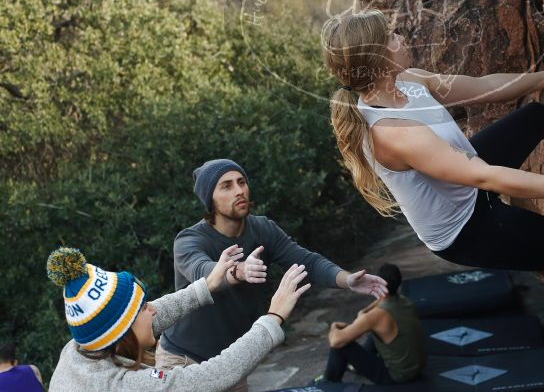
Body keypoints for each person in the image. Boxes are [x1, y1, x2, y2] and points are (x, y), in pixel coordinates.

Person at [321, 9, 544, 381]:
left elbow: (481, 86)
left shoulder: (406, 81)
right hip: (465, 228)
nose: (400, 37)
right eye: (390, 36)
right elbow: (482, 176)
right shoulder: (392, 132)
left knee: (534, 117)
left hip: (467, 177)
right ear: (377, 58)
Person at [156, 159, 388, 392]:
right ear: (210, 200)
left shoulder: (262, 230)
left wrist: (346, 280)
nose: (239, 191)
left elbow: (307, 261)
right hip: (181, 359)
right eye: (226, 186)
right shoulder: (190, 240)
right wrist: (238, 271)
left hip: (232, 360)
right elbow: (202, 272)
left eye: (241, 182)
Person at [46, 245, 310, 392]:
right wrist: (273, 317)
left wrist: (206, 285)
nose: (152, 310)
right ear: (121, 331)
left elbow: (151, 315)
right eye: (143, 308)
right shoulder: (121, 387)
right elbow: (213, 375)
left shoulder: (79, 349)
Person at [313, 263, 425, 385]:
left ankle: (327, 385)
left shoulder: (375, 317)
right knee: (375, 332)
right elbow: (379, 303)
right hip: (416, 369)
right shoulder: (404, 301)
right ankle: (356, 369)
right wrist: (364, 313)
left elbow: (335, 341)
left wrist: (334, 327)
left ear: (378, 283)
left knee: (341, 347)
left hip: (397, 377)